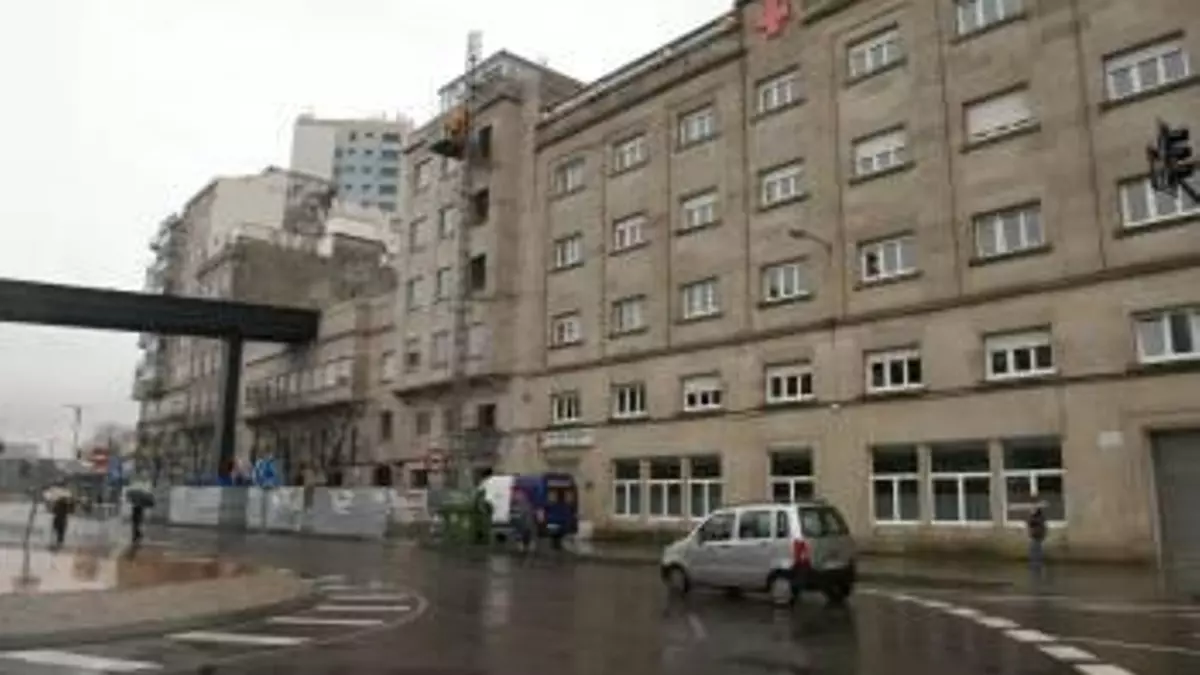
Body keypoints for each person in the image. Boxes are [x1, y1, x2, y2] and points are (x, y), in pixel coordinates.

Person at [43, 480, 73, 549]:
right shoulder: (66, 493)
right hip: (61, 514)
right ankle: (58, 542)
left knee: (58, 528)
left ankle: (57, 543)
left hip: (60, 514)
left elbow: (49, 498)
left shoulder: (62, 492)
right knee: (59, 529)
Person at [1026, 503, 1047, 575]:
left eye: (1033, 510)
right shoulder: (1035, 517)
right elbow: (1029, 522)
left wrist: (1031, 516)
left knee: (1037, 551)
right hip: (1034, 536)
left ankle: (1037, 565)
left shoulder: (1040, 518)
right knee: (1034, 550)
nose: (1032, 511)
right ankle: (1034, 565)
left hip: (1038, 536)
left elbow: (1033, 522)